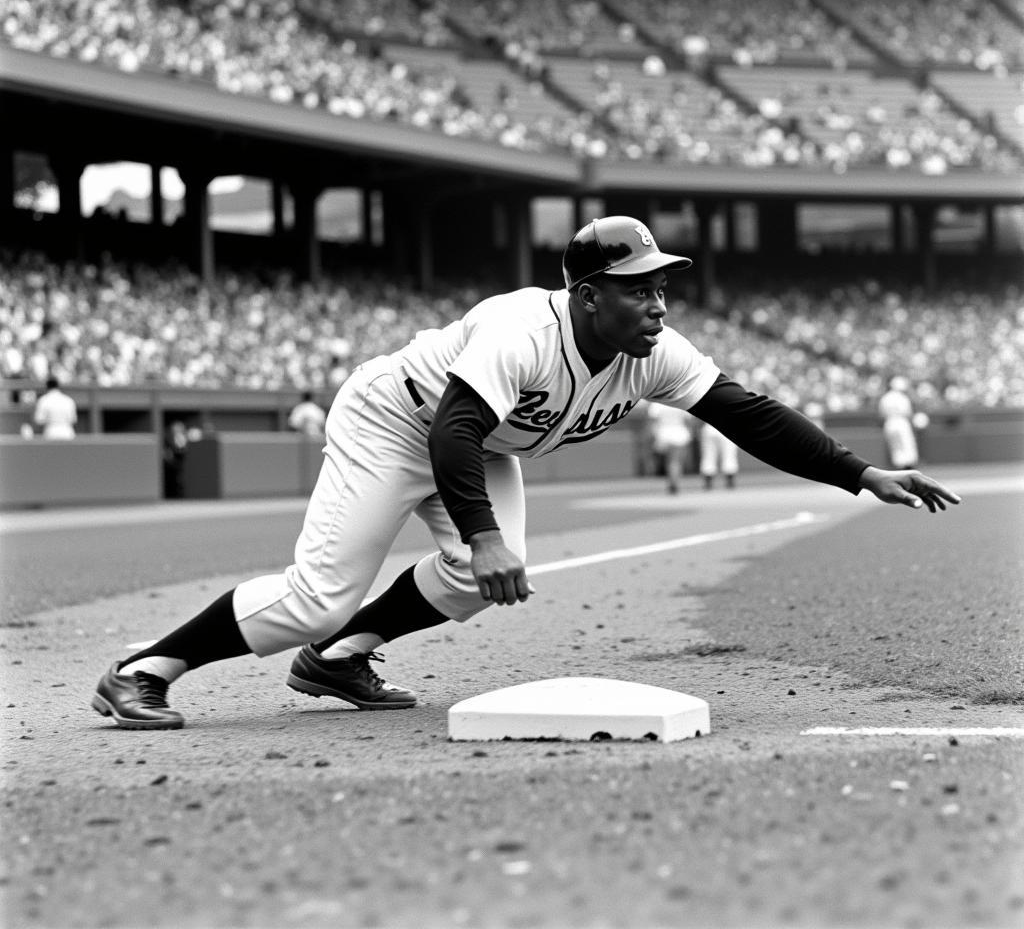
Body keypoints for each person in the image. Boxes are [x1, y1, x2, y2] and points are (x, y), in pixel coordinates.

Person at [91, 216, 961, 730]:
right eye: (637, 287)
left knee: (478, 578)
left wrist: (858, 473)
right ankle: (145, 670)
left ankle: (337, 658)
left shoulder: (652, 350)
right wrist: (482, 530)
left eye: (662, 285)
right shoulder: (523, 330)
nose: (657, 302)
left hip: (482, 445)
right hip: (399, 419)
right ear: (588, 295)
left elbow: (746, 412)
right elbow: (456, 426)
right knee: (327, 587)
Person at [645, 400, 692, 494]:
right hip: (679, 433)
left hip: (663, 433)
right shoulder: (681, 400)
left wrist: (653, 436)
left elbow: (652, 422)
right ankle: (674, 483)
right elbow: (688, 420)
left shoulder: (657, 403)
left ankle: (672, 482)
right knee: (675, 461)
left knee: (670, 461)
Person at [879, 375, 918, 469]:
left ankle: (899, 467)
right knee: (907, 444)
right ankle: (908, 468)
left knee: (896, 447)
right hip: (902, 422)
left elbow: (882, 414)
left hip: (889, 423)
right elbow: (908, 413)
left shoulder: (885, 397)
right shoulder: (903, 398)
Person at [698, 419, 740, 490]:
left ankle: (708, 482)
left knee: (709, 455)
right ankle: (730, 481)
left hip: (709, 428)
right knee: (729, 454)